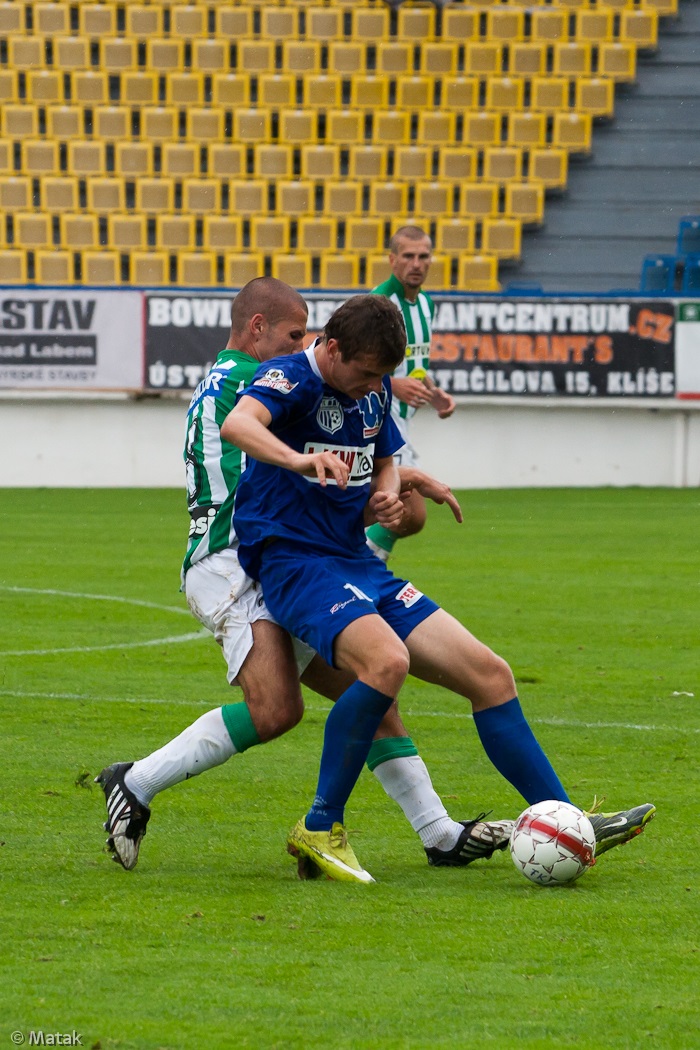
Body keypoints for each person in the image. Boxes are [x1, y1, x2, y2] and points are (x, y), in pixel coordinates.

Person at [224, 293, 655, 884]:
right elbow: (238, 423)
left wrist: (388, 493)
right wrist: (299, 462)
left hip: (356, 561)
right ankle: (320, 825)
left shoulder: (371, 386)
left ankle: (571, 821)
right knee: (386, 663)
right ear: (330, 346)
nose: (374, 386)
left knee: (491, 674)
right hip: (295, 563)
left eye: (383, 376)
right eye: (366, 372)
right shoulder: (290, 376)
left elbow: (385, 460)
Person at [95, 278, 513, 872]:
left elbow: (334, 457)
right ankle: (134, 782)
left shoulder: (232, 373)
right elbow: (307, 439)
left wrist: (392, 482)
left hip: (276, 554)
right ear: (257, 327)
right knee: (275, 710)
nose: (306, 345)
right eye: (296, 335)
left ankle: (439, 833)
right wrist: (388, 451)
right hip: (233, 560)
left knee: (374, 690)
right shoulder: (260, 383)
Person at [366, 225, 456, 564]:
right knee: (408, 510)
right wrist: (393, 386)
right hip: (377, 420)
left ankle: (358, 569)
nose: (416, 263)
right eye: (408, 256)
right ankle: (357, 571)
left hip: (401, 424)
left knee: (408, 515)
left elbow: (413, 367)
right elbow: (352, 366)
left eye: (423, 256)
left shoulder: (425, 306)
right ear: (392, 259)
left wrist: (434, 394)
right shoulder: (377, 304)